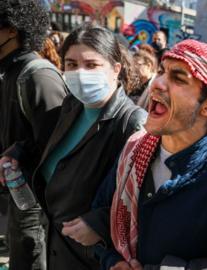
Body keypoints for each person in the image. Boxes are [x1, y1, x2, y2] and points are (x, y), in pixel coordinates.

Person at [96, 39, 207, 269]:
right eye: (161, 72)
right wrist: (112, 260)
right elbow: (101, 216)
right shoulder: (134, 150)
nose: (157, 84)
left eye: (178, 78)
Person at [30, 24, 147, 270]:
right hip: (55, 246)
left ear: (116, 69)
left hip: (94, 257)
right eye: (71, 64)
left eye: (91, 65)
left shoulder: (132, 122)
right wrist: (18, 154)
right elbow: (53, 155)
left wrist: (99, 222)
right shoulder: (72, 104)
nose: (80, 73)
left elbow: (139, 200)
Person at [0, 1, 68, 269]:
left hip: (37, 207)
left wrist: (18, 152)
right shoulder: (8, 72)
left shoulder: (38, 76)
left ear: (11, 30)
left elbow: (59, 146)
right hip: (19, 197)